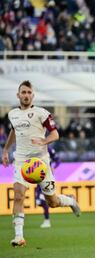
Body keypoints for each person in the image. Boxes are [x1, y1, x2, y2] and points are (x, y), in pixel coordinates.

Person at [2, 80, 81, 247]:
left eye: (29, 92)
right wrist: (5, 150)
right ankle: (19, 237)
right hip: (22, 162)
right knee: (18, 196)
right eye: (23, 92)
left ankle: (70, 201)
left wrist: (44, 141)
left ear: (33, 95)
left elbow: (55, 134)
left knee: (52, 202)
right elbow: (14, 131)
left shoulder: (41, 113)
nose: (26, 95)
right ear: (18, 95)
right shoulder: (13, 114)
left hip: (41, 164)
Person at [36, 146, 61, 228]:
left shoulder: (49, 149)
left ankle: (47, 221)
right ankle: (68, 199)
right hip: (38, 177)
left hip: (47, 177)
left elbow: (58, 160)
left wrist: (53, 167)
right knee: (39, 201)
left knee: (42, 199)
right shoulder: (34, 149)